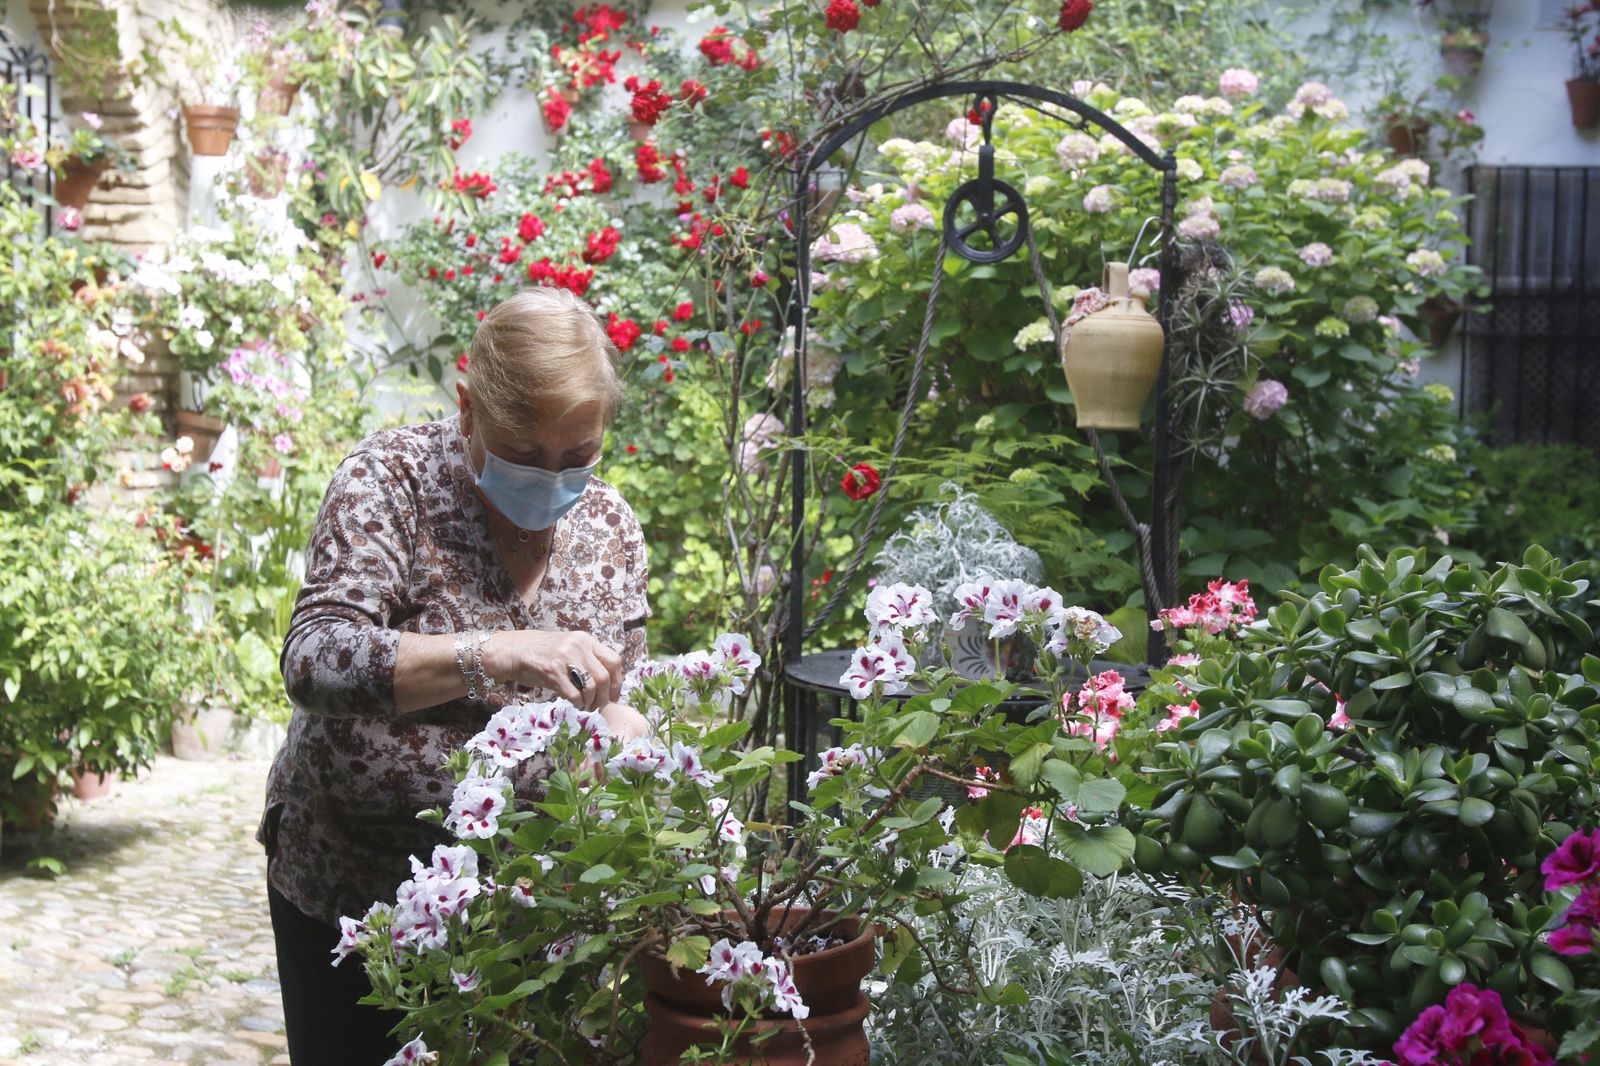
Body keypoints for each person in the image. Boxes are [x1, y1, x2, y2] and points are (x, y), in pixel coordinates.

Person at [256, 287, 653, 1064]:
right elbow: (315, 658)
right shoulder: (391, 483)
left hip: (533, 920)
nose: (553, 479)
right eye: (525, 454)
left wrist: (626, 729)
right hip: (359, 896)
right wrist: (492, 652)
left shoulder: (609, 527)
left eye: (578, 457)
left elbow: (615, 693)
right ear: (468, 408)